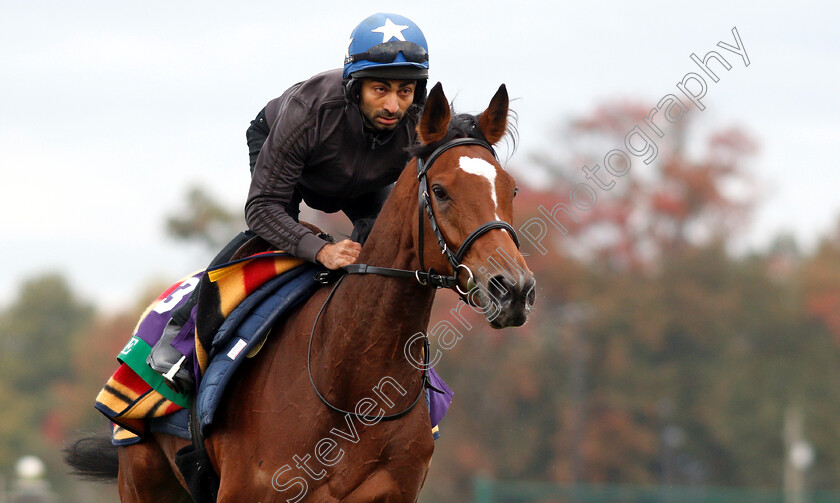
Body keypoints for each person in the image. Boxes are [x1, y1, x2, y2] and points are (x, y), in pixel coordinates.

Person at [147, 12, 430, 392]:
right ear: (356, 86)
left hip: (359, 178)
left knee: (383, 246)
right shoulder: (308, 113)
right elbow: (262, 209)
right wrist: (320, 250)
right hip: (287, 154)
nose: (394, 106)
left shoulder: (419, 120)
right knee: (270, 237)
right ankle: (180, 336)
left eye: (405, 91)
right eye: (380, 89)